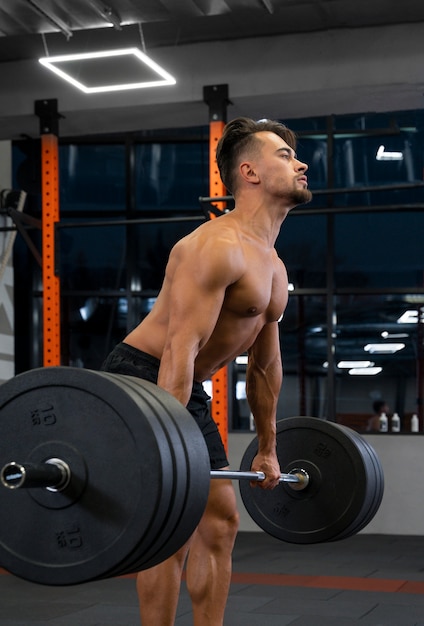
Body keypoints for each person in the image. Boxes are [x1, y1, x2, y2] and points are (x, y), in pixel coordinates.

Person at [101, 116, 312, 625]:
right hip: (142, 377)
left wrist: (267, 447)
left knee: (219, 524)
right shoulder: (213, 247)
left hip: (184, 384)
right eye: (283, 155)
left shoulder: (275, 268)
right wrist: (168, 449)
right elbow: (179, 348)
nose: (301, 162)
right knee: (171, 524)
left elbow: (264, 366)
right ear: (250, 171)